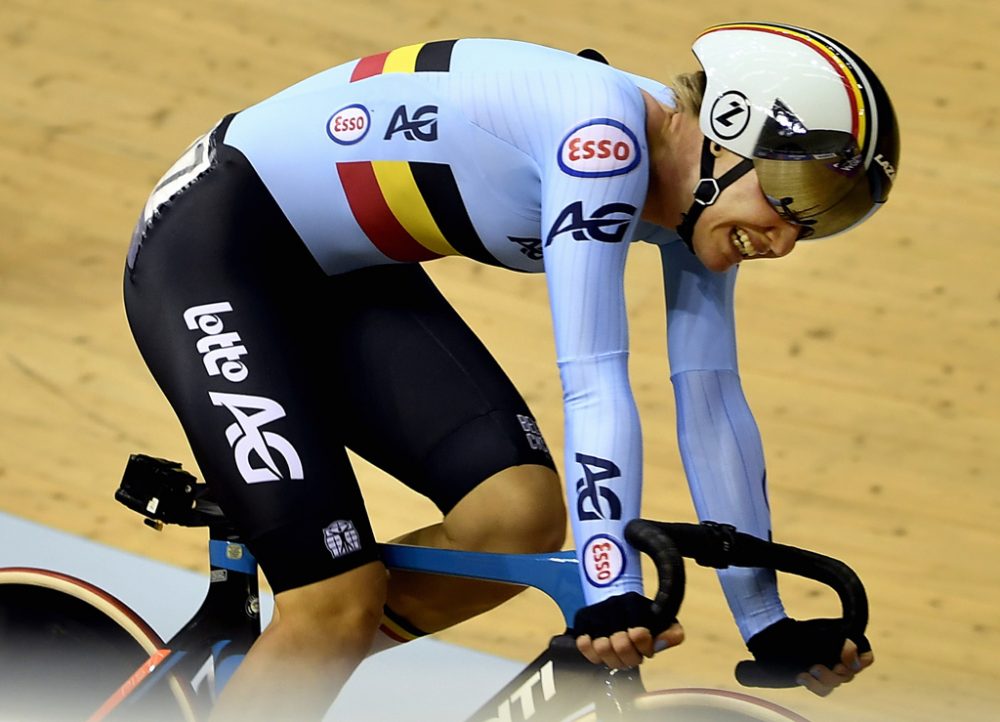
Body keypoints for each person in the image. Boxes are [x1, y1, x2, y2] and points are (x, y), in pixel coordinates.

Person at [123, 21, 899, 720]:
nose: (789, 237)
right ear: (727, 131)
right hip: (212, 248)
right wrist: (610, 585)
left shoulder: (701, 205)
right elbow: (594, 376)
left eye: (824, 215)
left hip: (344, 276)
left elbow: (711, 399)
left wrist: (767, 622)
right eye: (794, 193)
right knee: (333, 605)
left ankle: (268, 684)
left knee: (516, 523)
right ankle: (299, 654)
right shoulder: (604, 140)